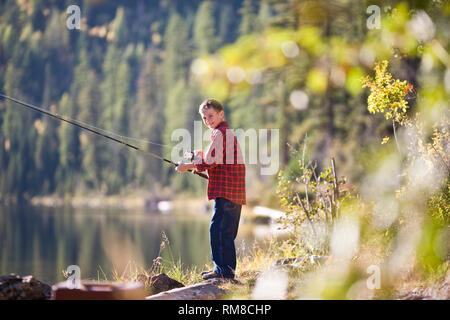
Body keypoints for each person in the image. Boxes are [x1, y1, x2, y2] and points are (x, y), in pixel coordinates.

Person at [176, 98, 246, 280]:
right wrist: (199, 156)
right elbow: (212, 157)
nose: (208, 121)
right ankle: (222, 270)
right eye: (205, 118)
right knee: (225, 231)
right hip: (232, 192)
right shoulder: (223, 133)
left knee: (219, 230)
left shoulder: (220, 133)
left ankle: (224, 273)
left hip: (227, 191)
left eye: (211, 116)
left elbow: (211, 162)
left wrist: (188, 166)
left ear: (221, 114)